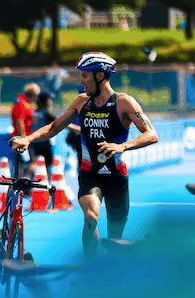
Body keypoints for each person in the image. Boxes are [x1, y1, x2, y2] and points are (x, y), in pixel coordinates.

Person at [11, 52, 158, 263]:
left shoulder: (124, 102)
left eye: (85, 76)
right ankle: (89, 268)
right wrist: (28, 139)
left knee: (115, 239)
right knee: (90, 220)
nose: (81, 81)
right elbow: (54, 127)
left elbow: (152, 134)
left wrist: (122, 146)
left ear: (100, 75)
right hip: (90, 175)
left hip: (117, 177)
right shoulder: (81, 102)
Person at [10, 82, 40, 177]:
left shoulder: (26, 103)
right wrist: (23, 138)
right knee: (24, 162)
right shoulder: (21, 103)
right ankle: (23, 181)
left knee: (27, 162)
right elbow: (20, 121)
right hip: (22, 138)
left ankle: (24, 180)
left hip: (27, 137)